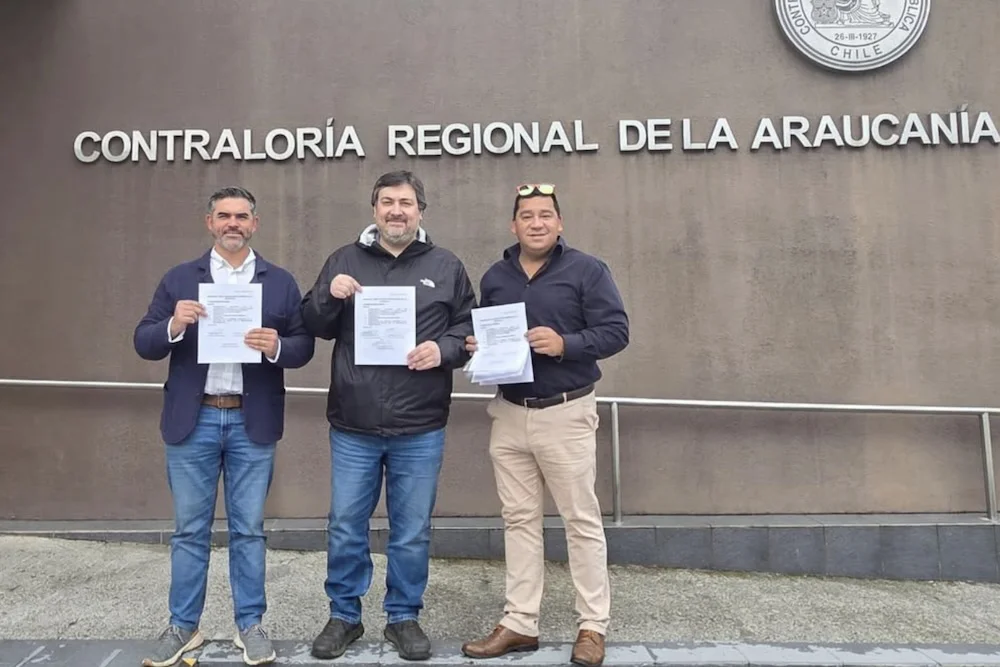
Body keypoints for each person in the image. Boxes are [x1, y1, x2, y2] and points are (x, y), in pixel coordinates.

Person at [133, 186, 315, 667]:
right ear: (209, 222)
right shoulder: (180, 279)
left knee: (249, 530)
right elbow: (144, 341)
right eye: (223, 216)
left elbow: (303, 346)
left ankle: (250, 625)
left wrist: (277, 346)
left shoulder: (279, 281)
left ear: (254, 224)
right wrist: (173, 325)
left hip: (250, 421)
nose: (233, 223)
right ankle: (183, 626)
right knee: (189, 531)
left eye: (241, 216)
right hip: (192, 420)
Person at [301, 170, 476, 661]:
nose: (396, 211)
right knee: (345, 526)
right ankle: (344, 615)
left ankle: (403, 617)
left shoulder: (446, 265)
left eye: (405, 203)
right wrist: (328, 294)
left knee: (412, 530)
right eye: (387, 202)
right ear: (374, 209)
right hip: (353, 424)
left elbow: (467, 328)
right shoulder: (344, 259)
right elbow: (311, 322)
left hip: (420, 424)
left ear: (420, 210)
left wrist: (442, 350)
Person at [460, 183, 629, 667]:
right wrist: (479, 347)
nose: (536, 223)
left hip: (565, 413)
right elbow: (491, 332)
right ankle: (520, 623)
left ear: (559, 223)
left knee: (580, 521)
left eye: (545, 215)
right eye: (527, 216)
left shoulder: (587, 270)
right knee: (518, 521)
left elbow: (616, 331)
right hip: (510, 414)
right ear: (513, 225)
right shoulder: (496, 277)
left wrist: (565, 344)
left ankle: (592, 626)